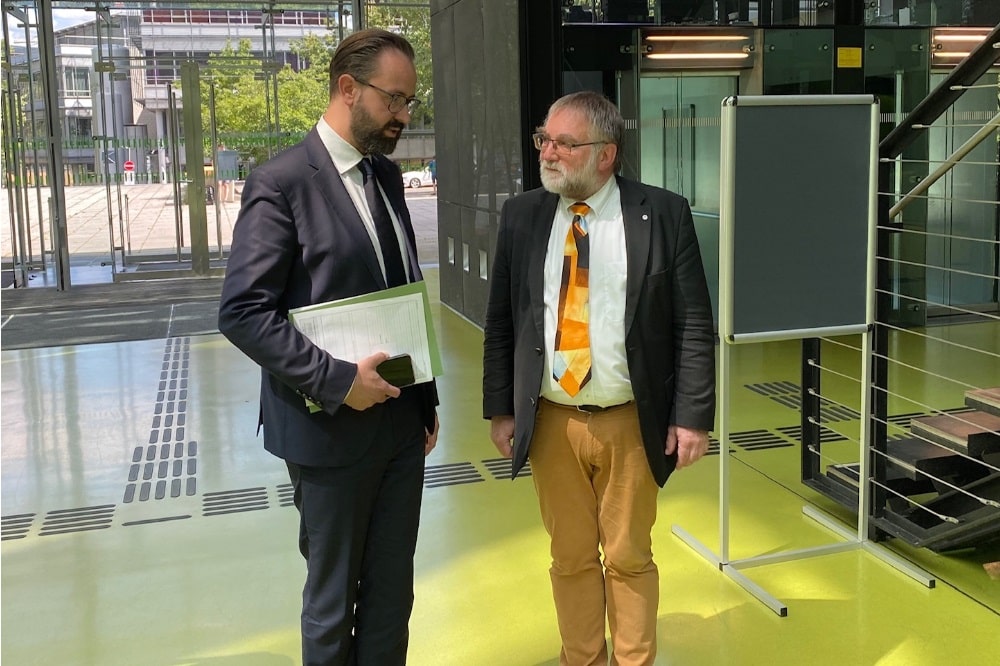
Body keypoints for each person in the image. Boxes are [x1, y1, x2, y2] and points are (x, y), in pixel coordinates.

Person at [218, 28, 439, 666]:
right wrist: (338, 380)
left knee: (392, 597)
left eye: (408, 102)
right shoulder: (281, 182)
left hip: (399, 428)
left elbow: (403, 288)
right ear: (348, 88)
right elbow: (243, 312)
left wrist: (423, 404)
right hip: (329, 431)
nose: (403, 115)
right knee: (333, 601)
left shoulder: (388, 179)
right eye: (393, 100)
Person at [482, 91, 716, 665]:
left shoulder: (662, 213)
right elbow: (502, 321)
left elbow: (692, 323)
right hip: (553, 422)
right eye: (545, 139)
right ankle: (581, 657)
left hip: (631, 422)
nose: (550, 152)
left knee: (630, 555)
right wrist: (502, 408)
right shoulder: (523, 216)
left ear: (607, 153)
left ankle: (633, 659)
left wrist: (692, 417)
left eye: (566, 143)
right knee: (570, 556)